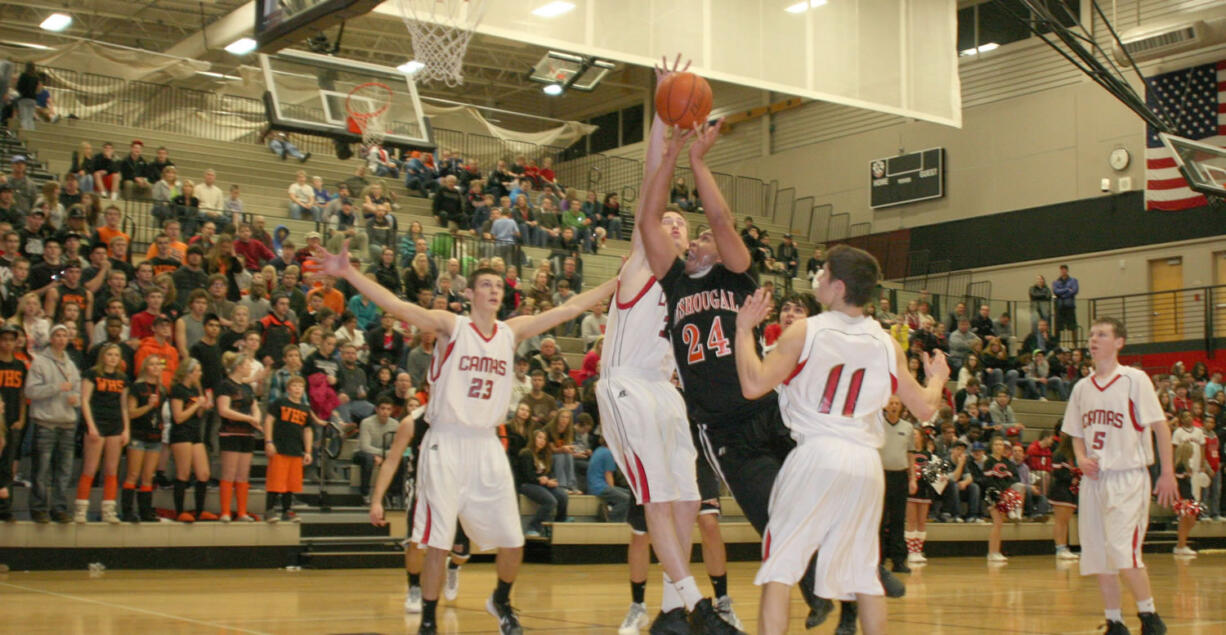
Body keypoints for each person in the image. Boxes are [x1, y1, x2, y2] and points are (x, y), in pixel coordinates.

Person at [315, 234, 615, 635]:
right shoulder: (451, 326)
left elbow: (572, 307)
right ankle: (427, 620)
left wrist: (618, 280)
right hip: (446, 440)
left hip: (487, 442)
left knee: (513, 540)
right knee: (438, 541)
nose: (494, 291)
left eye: (498, 286)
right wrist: (348, 271)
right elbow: (396, 305)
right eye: (486, 285)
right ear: (470, 292)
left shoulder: (512, 331)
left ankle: (501, 600)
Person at [732, 244, 948, 635]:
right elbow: (927, 408)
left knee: (779, 569)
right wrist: (937, 378)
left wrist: (744, 329)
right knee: (864, 575)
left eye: (825, 273)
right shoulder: (886, 342)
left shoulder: (806, 330)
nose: (819, 278)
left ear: (839, 286)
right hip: (866, 464)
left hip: (817, 454)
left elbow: (752, 384)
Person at [1063, 317, 1176, 635]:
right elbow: (1075, 433)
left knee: (1123, 551)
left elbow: (1160, 427)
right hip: (1094, 480)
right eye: (1092, 334)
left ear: (1119, 342)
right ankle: (1115, 621)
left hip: (1128, 476)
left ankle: (1150, 617)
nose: (1093, 339)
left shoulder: (1134, 379)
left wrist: (1167, 472)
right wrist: (1081, 458)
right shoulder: (1081, 388)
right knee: (1099, 554)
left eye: (1102, 334)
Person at [26, 324, 82, 523]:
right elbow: (30, 391)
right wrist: (55, 387)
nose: (60, 339)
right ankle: (39, 508)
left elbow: (78, 391)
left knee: (64, 471)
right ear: (51, 338)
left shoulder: (71, 365)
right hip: (46, 422)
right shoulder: (40, 362)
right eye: (57, 335)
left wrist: (76, 398)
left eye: (64, 335)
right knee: (41, 469)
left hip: (67, 423)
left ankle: (59, 508)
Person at [76, 343, 130, 524]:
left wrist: (126, 429)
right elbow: (84, 400)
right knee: (90, 469)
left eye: (116, 355)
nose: (113, 358)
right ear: (102, 356)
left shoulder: (123, 378)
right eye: (110, 354)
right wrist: (90, 426)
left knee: (111, 470)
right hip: (96, 424)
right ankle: (81, 510)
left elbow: (124, 406)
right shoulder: (92, 374)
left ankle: (108, 511)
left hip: (115, 425)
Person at [263, 375, 316, 523]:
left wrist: (308, 451)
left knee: (291, 483)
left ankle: (287, 510)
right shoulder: (280, 403)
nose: (298, 389)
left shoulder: (305, 409)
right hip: (279, 448)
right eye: (295, 386)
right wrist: (268, 441)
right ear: (288, 389)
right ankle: (269, 510)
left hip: (296, 450)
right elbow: (268, 420)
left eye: (300, 386)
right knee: (275, 481)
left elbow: (308, 430)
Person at [216, 352, 261, 522]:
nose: (250, 367)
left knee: (243, 474)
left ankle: (242, 512)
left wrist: (256, 417)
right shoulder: (225, 385)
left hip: (247, 433)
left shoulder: (247, 387)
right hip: (230, 432)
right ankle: (225, 512)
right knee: (229, 473)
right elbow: (224, 410)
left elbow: (254, 405)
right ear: (239, 366)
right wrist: (249, 418)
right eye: (248, 364)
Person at [122, 355, 166, 522]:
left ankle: (145, 512)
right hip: (138, 434)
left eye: (158, 364)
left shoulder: (162, 390)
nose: (156, 367)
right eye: (152, 364)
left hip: (155, 435)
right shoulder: (137, 387)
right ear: (145, 367)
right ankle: (127, 511)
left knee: (148, 476)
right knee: (133, 474)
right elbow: (131, 413)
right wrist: (147, 406)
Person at [878, 395, 914, 573]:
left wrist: (913, 478)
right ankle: (879, 559)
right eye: (891, 403)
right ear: (885, 406)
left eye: (897, 404)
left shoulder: (908, 427)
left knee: (898, 520)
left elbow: (911, 454)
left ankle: (899, 560)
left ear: (901, 407)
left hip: (900, 477)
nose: (893, 406)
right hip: (881, 476)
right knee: (880, 519)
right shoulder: (877, 426)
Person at [516, 428, 568, 537]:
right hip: (527, 484)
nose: (542, 441)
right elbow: (527, 475)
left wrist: (552, 481)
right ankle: (533, 527)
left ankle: (560, 521)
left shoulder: (545, 455)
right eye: (539, 437)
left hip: (542, 483)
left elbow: (549, 473)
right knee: (551, 501)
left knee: (562, 495)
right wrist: (540, 479)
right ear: (533, 438)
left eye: (544, 439)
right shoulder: (526, 453)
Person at [0, 325, 26, 522]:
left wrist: (21, 419)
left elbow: (22, 395)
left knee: (8, 466)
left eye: (11, 339)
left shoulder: (19, 366)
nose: (7, 343)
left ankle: (5, 508)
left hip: (13, 421)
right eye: (4, 339)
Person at [1049, 431, 1081, 560]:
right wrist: (1071, 478)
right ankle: (1059, 548)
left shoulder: (1073, 456)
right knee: (1060, 521)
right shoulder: (1059, 454)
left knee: (1066, 521)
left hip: (1070, 491)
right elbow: (1056, 473)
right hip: (1060, 491)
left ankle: (1064, 547)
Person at [1052, 265, 1079, 345]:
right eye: (1062, 270)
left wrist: (1062, 293)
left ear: (1067, 270)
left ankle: (1075, 345)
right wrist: (1067, 289)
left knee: (1073, 327)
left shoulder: (1073, 280)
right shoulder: (1056, 282)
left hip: (1070, 307)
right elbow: (1056, 291)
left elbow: (1074, 290)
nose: (1063, 271)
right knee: (1058, 328)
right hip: (1060, 307)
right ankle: (1058, 345)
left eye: (1064, 270)